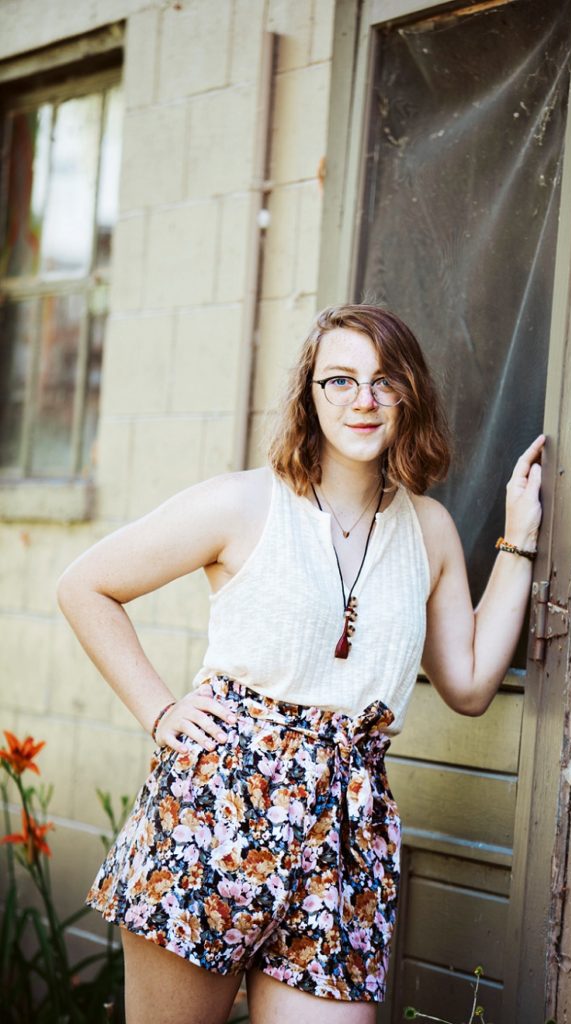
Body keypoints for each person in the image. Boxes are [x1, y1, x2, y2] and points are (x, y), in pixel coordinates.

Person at [57, 304, 544, 1024]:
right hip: (217, 816)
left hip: (348, 834)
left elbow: (468, 687)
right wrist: (159, 711)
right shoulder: (245, 503)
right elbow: (85, 586)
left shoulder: (429, 529)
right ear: (308, 396)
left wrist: (518, 543)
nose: (364, 400)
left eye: (385, 381)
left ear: (411, 394)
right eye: (339, 381)